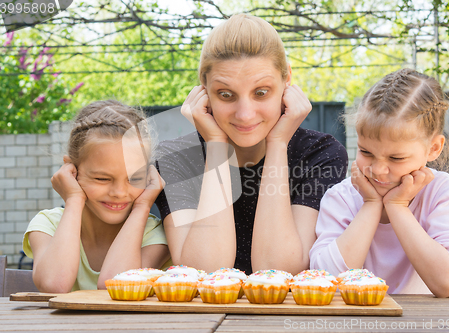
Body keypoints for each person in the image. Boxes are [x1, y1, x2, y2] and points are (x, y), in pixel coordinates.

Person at [154, 14, 348, 275]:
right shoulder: (174, 157)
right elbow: (201, 273)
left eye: (261, 92)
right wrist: (216, 144)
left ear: (287, 78)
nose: (245, 114)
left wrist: (278, 144)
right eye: (226, 95)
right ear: (204, 88)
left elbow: (279, 272)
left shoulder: (320, 154)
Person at [309, 68, 449, 297]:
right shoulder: (341, 197)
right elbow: (326, 281)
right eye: (366, 152)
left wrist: (397, 207)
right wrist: (370, 204)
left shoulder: (443, 192)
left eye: (396, 158)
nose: (378, 169)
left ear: (433, 148)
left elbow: (446, 283)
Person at [23, 100, 170, 293]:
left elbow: (116, 285)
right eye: (102, 179)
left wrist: (143, 206)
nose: (119, 193)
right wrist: (74, 199)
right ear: (72, 170)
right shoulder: (47, 225)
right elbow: (54, 285)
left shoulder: (155, 234)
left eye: (135, 178)